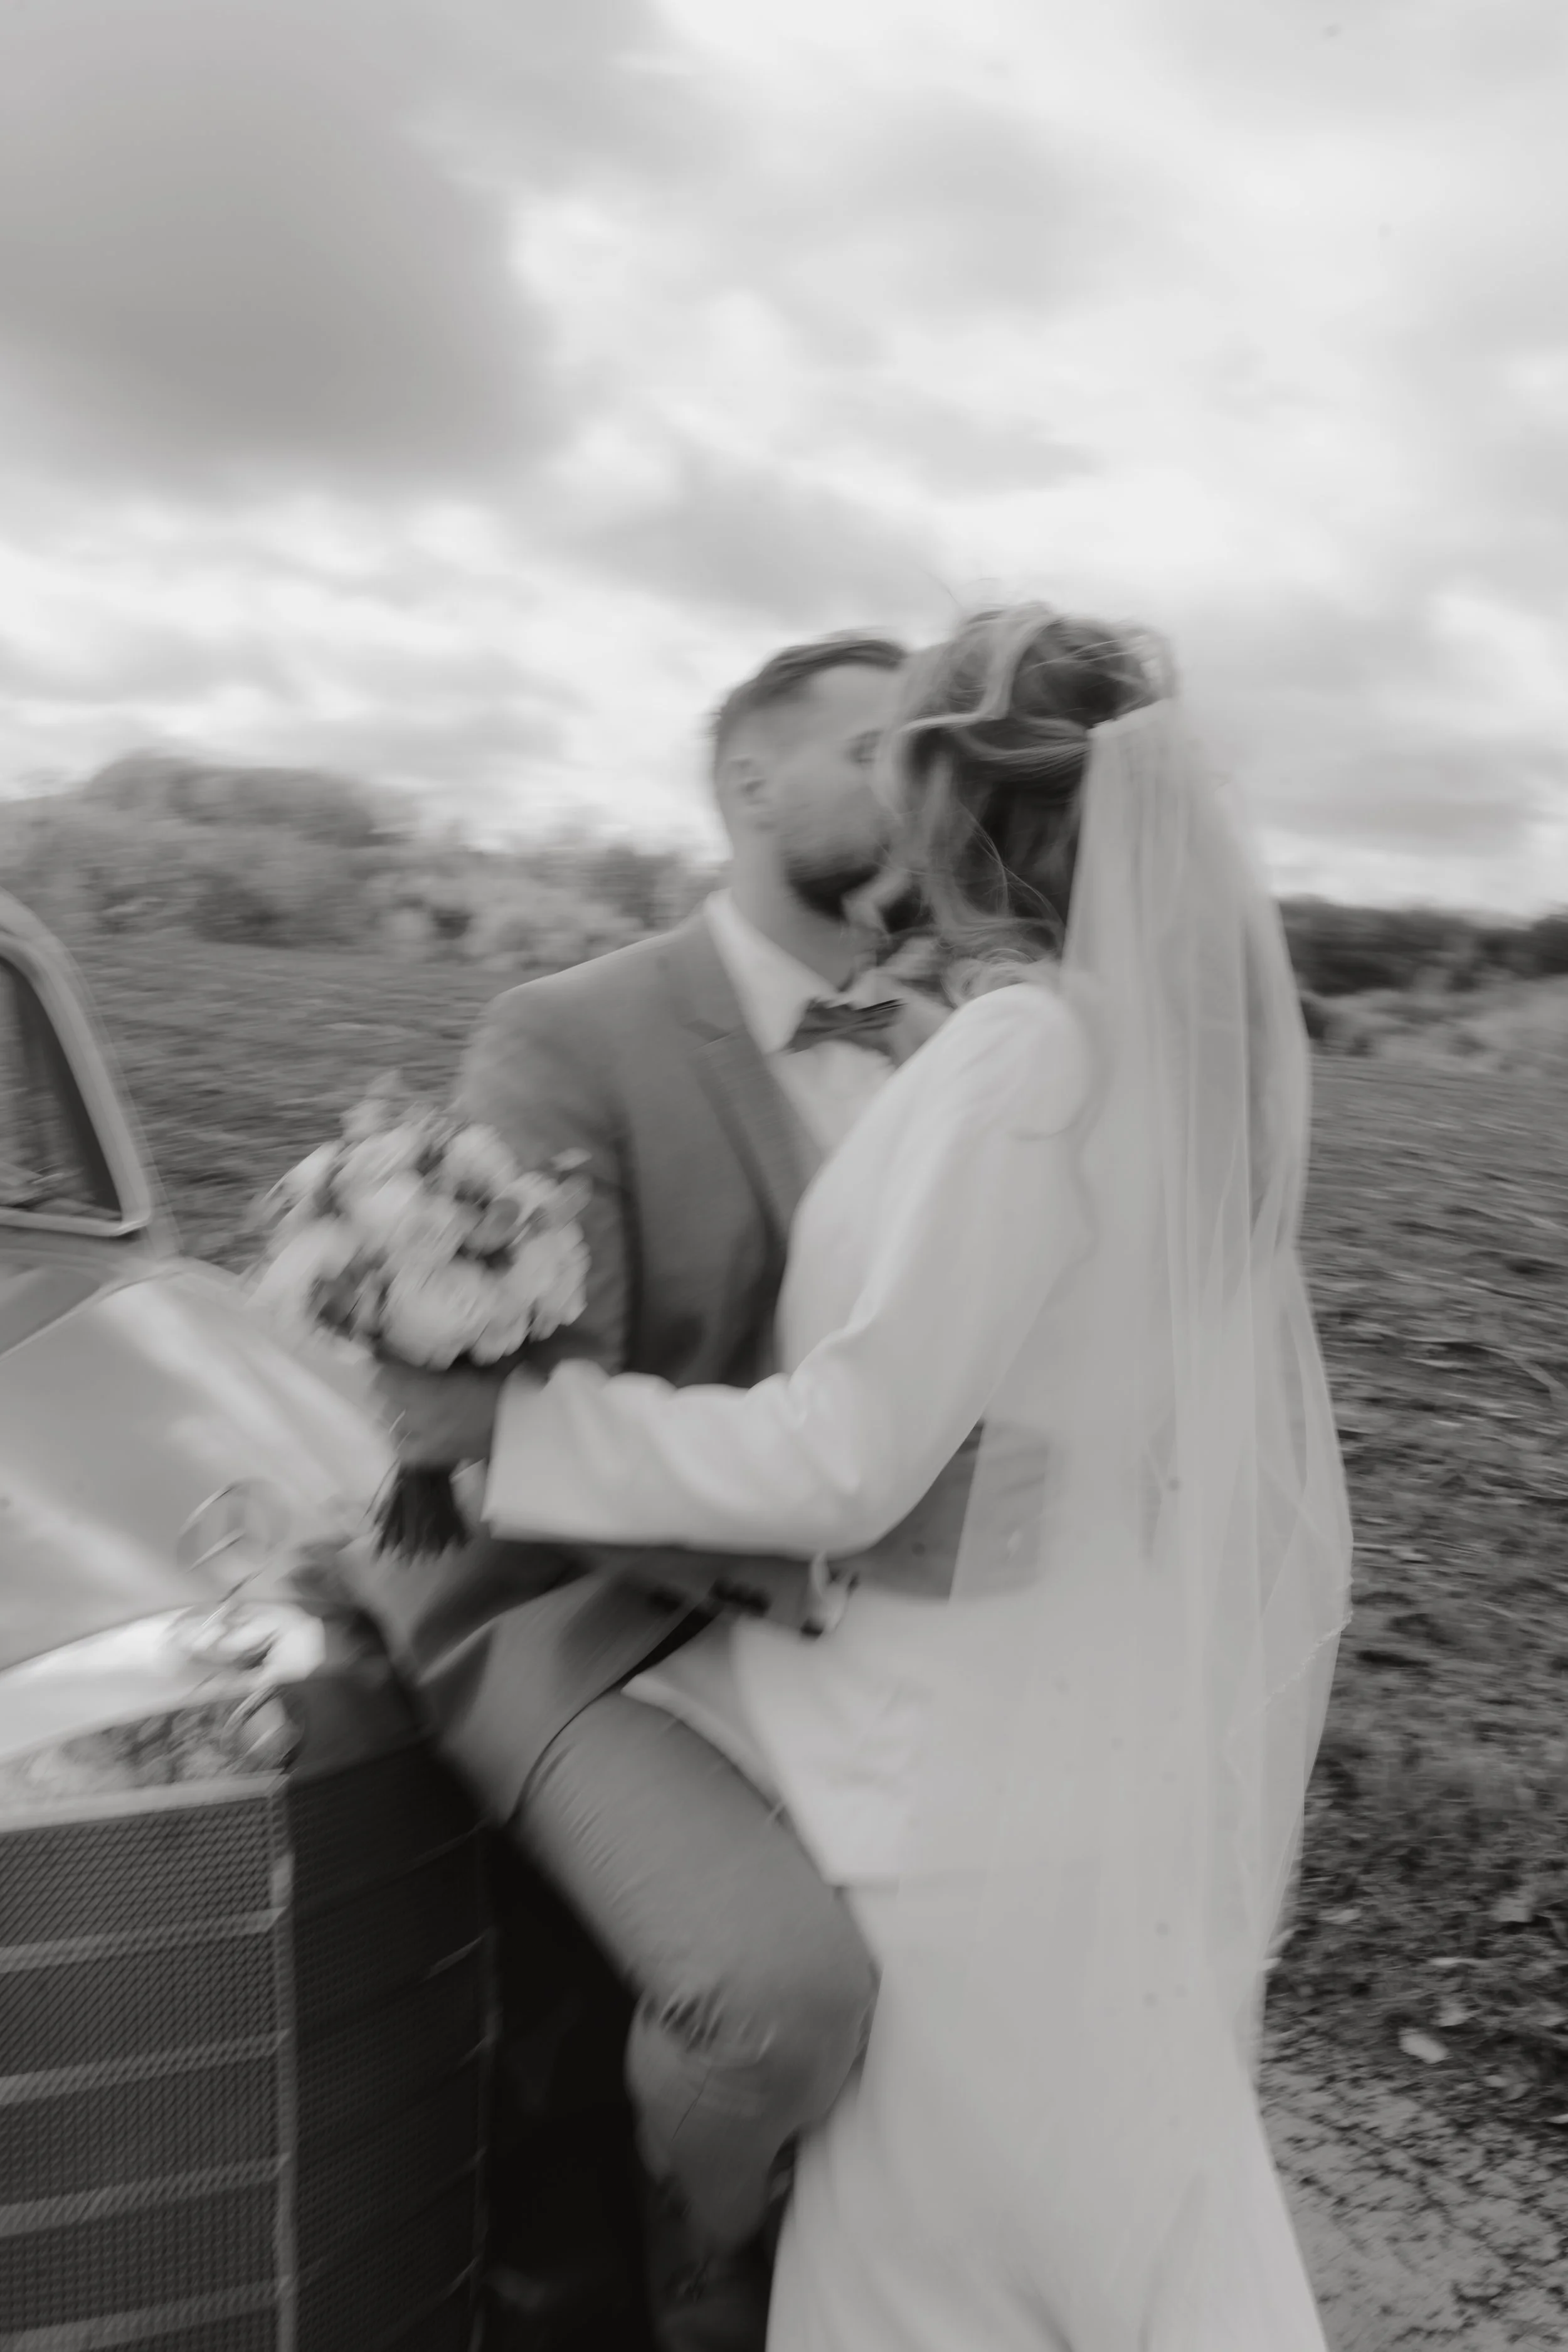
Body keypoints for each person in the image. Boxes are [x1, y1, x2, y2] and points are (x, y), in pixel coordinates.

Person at [389, 604, 1354, 2348]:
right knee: (1102, 2192)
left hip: (918, 1713)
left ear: (954, 810)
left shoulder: (1014, 1053)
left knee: (927, 2247)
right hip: (1049, 1696)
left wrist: (509, 1436)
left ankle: (682, 2268)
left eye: (894, 761)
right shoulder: (1192, 1068)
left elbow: (845, 1449)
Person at [364, 629, 949, 2352]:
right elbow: (522, 1426)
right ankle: (688, 2282)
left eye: (934, 755)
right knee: (775, 1998)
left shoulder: (957, 1052)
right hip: (580, 1616)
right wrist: (847, 1533)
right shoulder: (570, 1033)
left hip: (863, 1612)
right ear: (746, 781)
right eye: (877, 747)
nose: (918, 785)